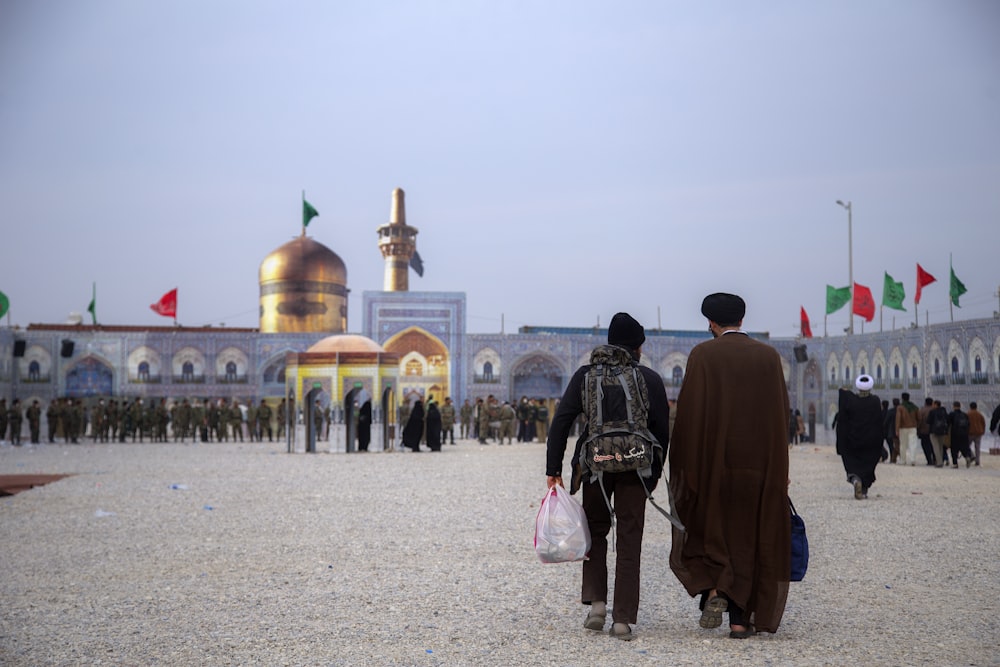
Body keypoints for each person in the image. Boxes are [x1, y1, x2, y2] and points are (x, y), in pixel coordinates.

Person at [668, 293, 790, 638]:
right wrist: (780, 469)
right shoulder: (768, 357)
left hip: (713, 468)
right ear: (741, 319)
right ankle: (740, 621)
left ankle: (716, 589)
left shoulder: (703, 356)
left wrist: (685, 468)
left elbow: (689, 418)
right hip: (760, 468)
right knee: (751, 538)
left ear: (710, 322)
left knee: (713, 533)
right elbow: (781, 418)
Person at [545, 312, 670, 641]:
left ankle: (598, 604)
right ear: (637, 347)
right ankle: (623, 620)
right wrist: (653, 474)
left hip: (596, 467)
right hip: (635, 468)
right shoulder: (649, 378)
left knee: (596, 533)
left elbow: (561, 422)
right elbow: (662, 430)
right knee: (629, 540)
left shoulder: (585, 376)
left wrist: (553, 470)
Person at [836, 375, 884, 499]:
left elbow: (843, 411)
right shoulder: (875, 401)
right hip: (871, 442)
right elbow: (879, 421)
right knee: (868, 466)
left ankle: (855, 479)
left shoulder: (851, 400)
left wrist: (843, 392)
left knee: (853, 464)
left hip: (853, 441)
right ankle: (863, 490)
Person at [895, 392, 919, 465]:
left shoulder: (900, 407)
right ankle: (913, 460)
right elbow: (919, 417)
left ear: (902, 398)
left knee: (903, 444)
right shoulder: (914, 407)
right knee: (913, 444)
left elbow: (898, 419)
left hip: (903, 428)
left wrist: (897, 429)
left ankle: (903, 460)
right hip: (913, 428)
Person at [947, 402, 974, 468]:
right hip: (964, 434)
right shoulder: (964, 414)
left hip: (955, 434)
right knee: (964, 448)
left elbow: (948, 423)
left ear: (953, 406)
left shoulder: (952, 414)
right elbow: (968, 424)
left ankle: (955, 464)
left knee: (954, 449)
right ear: (960, 406)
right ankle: (967, 457)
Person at [928, 400, 950, 467]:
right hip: (943, 431)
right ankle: (941, 461)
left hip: (933, 431)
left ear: (935, 405)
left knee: (936, 447)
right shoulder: (944, 411)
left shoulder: (932, 412)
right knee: (941, 447)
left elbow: (928, 421)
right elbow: (948, 420)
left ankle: (939, 462)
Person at [967, 401, 985, 466]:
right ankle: (977, 461)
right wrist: (983, 431)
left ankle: (972, 455)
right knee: (977, 447)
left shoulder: (968, 414)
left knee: (966, 445)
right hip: (979, 432)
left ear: (970, 407)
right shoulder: (980, 414)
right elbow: (983, 423)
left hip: (970, 432)